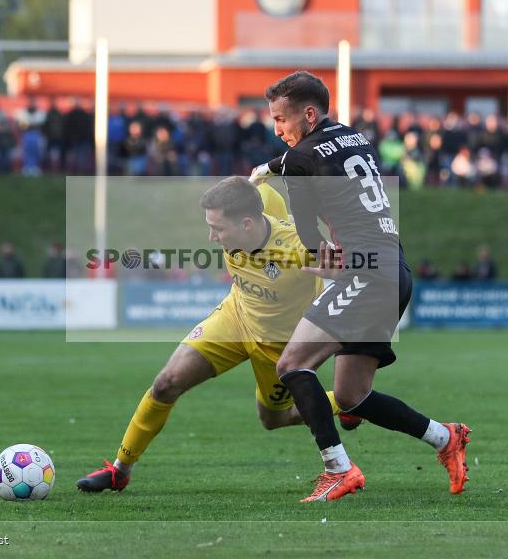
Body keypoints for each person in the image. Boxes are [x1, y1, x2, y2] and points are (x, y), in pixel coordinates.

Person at [251, 71, 469, 502]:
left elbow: (307, 231)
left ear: (308, 114)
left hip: (364, 274)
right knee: (351, 396)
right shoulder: (354, 137)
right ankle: (445, 438)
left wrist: (317, 258)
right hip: (394, 271)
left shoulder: (300, 158)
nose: (277, 129)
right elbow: (311, 156)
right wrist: (269, 166)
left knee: (293, 364)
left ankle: (338, 468)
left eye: (281, 119)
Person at [76, 178, 348, 493]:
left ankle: (343, 402)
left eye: (217, 228)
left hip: (277, 347)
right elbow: (266, 174)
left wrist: (337, 272)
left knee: (275, 419)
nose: (211, 236)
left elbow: (349, 269)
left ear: (247, 224)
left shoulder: (299, 249)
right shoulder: (257, 194)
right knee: (166, 383)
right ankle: (119, 470)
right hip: (234, 317)